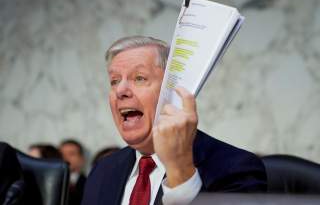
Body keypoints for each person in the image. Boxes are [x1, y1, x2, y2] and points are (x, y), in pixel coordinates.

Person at [81, 36, 267, 205]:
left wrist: (180, 172)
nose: (120, 90)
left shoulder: (236, 168)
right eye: (114, 81)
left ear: (172, 92)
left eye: (139, 78)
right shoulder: (102, 170)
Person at [59, 139, 86, 205]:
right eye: (61, 154)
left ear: (82, 159)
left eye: (71, 154)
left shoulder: (89, 183)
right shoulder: (52, 182)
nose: (65, 158)